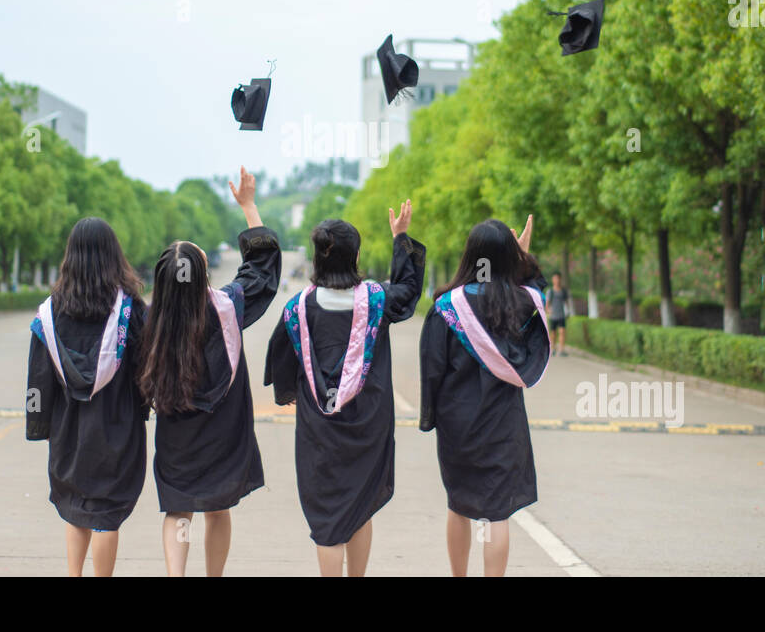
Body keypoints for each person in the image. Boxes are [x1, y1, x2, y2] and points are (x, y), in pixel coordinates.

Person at [264, 202, 426, 576]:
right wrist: (400, 238)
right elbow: (408, 289)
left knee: (327, 517)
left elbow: (281, 359)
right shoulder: (376, 301)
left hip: (319, 429)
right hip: (367, 424)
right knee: (361, 502)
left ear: (316, 258)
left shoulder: (298, 309)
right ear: (355, 256)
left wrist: (288, 392)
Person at [138, 167, 281, 577]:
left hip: (178, 435)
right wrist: (249, 206)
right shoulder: (228, 306)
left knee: (179, 509)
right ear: (203, 276)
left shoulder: (149, 322)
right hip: (224, 433)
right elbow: (262, 268)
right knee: (218, 508)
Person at [418, 215, 551, 577]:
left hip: (458, 423)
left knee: (458, 505)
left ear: (470, 255)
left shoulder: (447, 307)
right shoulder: (522, 304)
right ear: (509, 258)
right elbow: (540, 292)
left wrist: (430, 416)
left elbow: (432, 367)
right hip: (503, 423)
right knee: (498, 513)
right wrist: (523, 257)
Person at [26, 217, 148, 577]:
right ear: (114, 256)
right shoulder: (131, 311)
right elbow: (145, 370)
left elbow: (39, 378)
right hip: (116, 427)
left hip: (69, 429)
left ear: (71, 256)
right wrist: (143, 407)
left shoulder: (50, 313)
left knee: (76, 503)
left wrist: (41, 425)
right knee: (105, 514)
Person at [548, 270, 570, 356]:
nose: (557, 280)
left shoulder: (563, 291)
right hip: (553, 316)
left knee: (562, 332)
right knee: (553, 334)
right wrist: (549, 311)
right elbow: (547, 304)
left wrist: (568, 311)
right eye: (555, 278)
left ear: (560, 279)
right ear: (553, 280)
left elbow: (566, 302)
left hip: (561, 315)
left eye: (558, 278)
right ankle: (553, 348)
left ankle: (561, 350)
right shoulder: (551, 291)